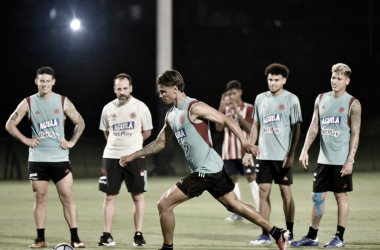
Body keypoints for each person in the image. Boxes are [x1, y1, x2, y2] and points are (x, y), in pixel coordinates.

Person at [120, 69, 290, 250]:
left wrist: (245, 143)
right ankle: (277, 232)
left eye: (163, 91)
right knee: (234, 205)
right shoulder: (171, 115)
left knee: (164, 204)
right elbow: (160, 142)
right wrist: (133, 155)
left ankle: (167, 248)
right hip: (211, 169)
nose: (161, 95)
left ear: (175, 89)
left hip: (206, 171)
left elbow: (226, 120)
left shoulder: (194, 107)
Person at [5, 67, 86, 248]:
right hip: (37, 159)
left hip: (60, 158)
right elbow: (9, 124)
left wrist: (71, 142)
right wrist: (26, 140)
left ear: (53, 82)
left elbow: (80, 122)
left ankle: (75, 238)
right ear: (36, 82)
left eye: (48, 81)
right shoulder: (28, 102)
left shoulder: (63, 101)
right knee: (40, 198)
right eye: (41, 81)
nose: (45, 84)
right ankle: (40, 239)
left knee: (67, 197)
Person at [291, 63, 361, 248]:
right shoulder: (321, 98)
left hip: (341, 161)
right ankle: (312, 236)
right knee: (317, 197)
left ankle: (339, 237)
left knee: (340, 197)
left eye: (339, 78)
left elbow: (355, 134)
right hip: (323, 160)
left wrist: (350, 160)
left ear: (347, 81)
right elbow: (314, 126)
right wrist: (305, 149)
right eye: (333, 77)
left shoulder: (353, 104)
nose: (334, 81)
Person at [243, 63, 302, 245]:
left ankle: (289, 233)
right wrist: (249, 149)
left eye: (276, 80)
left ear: (284, 80)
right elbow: (256, 125)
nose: (273, 83)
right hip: (264, 155)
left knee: (286, 194)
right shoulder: (260, 98)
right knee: (263, 193)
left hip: (282, 156)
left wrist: (291, 154)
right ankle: (265, 234)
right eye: (270, 79)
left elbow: (296, 127)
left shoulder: (291, 99)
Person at [97, 73, 153, 247]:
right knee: (110, 196)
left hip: (135, 157)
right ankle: (107, 235)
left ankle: (138, 235)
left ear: (131, 88)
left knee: (138, 196)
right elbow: (106, 133)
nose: (122, 91)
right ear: (114, 89)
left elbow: (147, 132)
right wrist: (117, 147)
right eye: (119, 88)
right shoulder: (107, 108)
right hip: (111, 156)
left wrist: (132, 148)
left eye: (125, 88)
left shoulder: (140, 107)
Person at [216, 80, 259, 221]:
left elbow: (249, 128)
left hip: (244, 151)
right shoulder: (225, 111)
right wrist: (222, 107)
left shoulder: (249, 108)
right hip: (228, 152)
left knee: (251, 178)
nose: (232, 96)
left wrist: (237, 113)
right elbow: (218, 128)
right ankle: (238, 212)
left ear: (240, 92)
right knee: (232, 181)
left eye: (234, 93)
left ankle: (260, 209)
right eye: (230, 94)